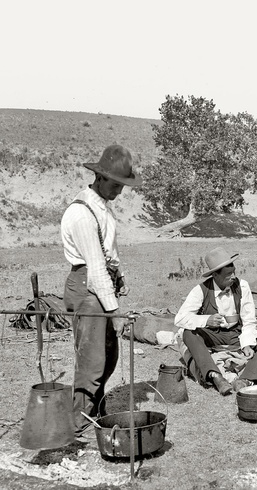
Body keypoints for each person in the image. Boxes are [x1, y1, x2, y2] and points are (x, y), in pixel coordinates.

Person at [60, 144, 139, 435]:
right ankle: (79, 420)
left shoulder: (100, 207)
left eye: (122, 186)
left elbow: (107, 253)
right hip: (87, 288)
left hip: (101, 285)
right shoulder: (82, 213)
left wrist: (120, 276)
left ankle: (96, 408)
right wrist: (115, 311)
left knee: (109, 355)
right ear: (100, 178)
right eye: (116, 185)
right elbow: (94, 268)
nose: (119, 192)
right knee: (92, 360)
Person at [175, 247, 257, 395]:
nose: (233, 277)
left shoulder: (242, 286)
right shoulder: (201, 290)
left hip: (235, 336)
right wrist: (207, 320)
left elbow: (249, 320)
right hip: (211, 337)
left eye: (234, 272)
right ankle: (215, 375)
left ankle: (245, 380)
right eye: (228, 275)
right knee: (188, 334)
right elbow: (180, 318)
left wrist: (247, 344)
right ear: (215, 276)